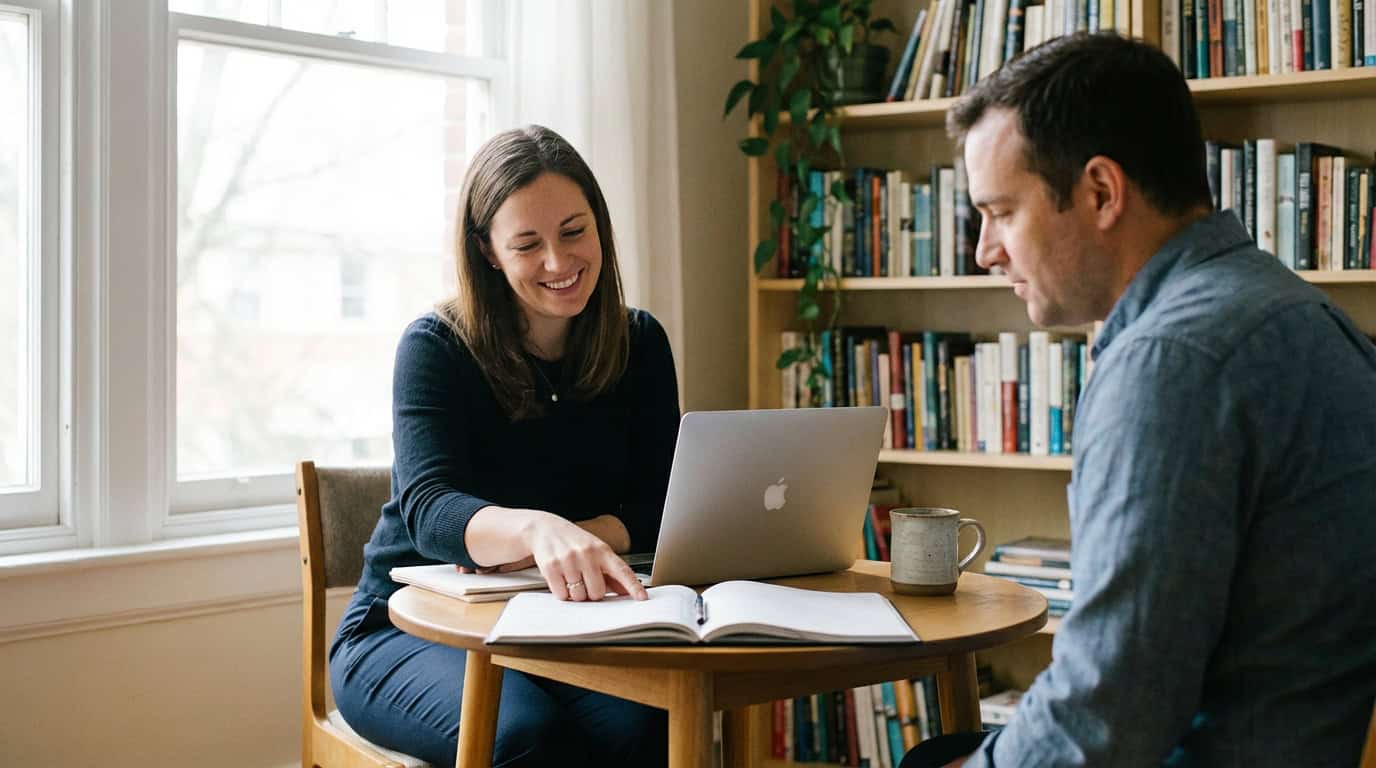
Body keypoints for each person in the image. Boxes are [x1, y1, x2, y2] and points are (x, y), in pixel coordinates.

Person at [901, 33, 1376, 767]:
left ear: (1100, 192)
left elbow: (1108, 713)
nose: (984, 251)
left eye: (1000, 212)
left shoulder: (1172, 363)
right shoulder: (1300, 314)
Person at [329, 124, 680, 767]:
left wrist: (570, 540)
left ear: (599, 225)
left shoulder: (640, 343)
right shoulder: (436, 346)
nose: (559, 261)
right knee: (527, 736)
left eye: (574, 231)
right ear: (489, 252)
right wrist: (540, 533)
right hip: (408, 627)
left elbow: (662, 504)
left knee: (648, 728)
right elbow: (430, 510)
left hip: (558, 623)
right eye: (527, 244)